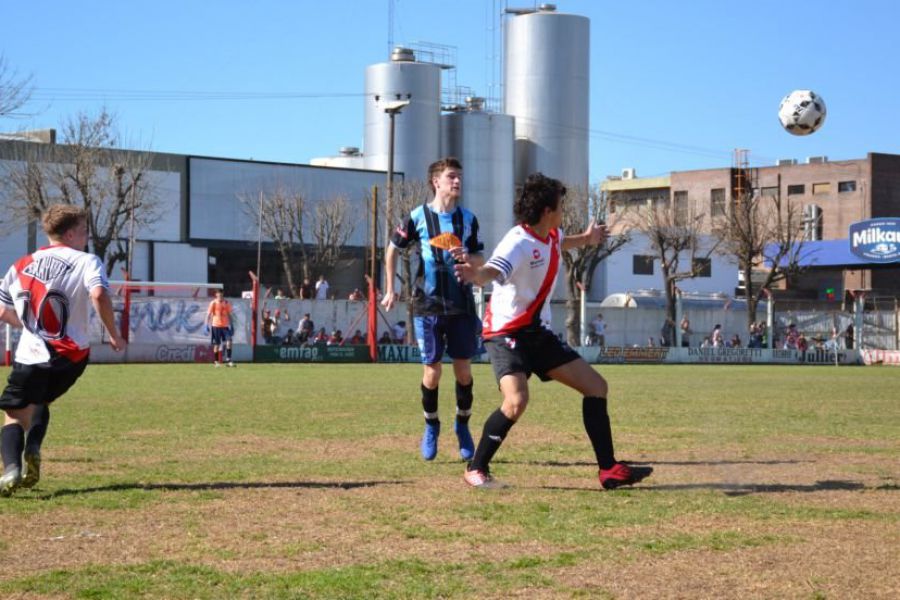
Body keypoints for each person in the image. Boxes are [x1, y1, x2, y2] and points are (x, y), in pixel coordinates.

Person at [454, 172, 653, 490]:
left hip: (536, 332)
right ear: (547, 211)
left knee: (596, 386)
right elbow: (493, 270)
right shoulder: (517, 242)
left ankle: (609, 470)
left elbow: (563, 241)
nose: (563, 211)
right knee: (516, 401)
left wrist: (587, 239)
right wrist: (476, 274)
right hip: (506, 333)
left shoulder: (551, 235)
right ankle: (476, 468)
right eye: (560, 206)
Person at [0, 205, 126, 496]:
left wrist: (27, 326)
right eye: (83, 231)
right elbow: (98, 293)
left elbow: (3, 309)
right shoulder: (87, 261)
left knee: (15, 413)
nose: (86, 237)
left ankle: (10, 471)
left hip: (32, 355)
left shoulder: (20, 265)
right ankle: (33, 446)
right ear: (70, 233)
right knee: (41, 400)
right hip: (73, 358)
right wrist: (113, 333)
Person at [381, 156, 484, 462]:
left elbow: (480, 259)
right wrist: (390, 288)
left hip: (462, 305)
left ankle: (462, 427)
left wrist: (468, 256)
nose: (457, 181)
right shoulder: (417, 217)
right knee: (433, 372)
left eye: (459, 177)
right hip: (428, 306)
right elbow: (392, 249)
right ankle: (431, 427)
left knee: (464, 372)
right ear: (435, 182)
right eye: (451, 176)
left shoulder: (469, 219)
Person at [206, 289, 235, 367]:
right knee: (217, 345)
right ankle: (216, 362)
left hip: (225, 326)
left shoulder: (226, 303)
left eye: (221, 295)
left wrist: (232, 325)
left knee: (229, 341)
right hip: (216, 326)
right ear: (216, 295)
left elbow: (229, 315)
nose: (220, 296)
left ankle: (228, 360)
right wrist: (206, 325)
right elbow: (208, 314)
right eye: (219, 295)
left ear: (223, 295)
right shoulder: (213, 303)